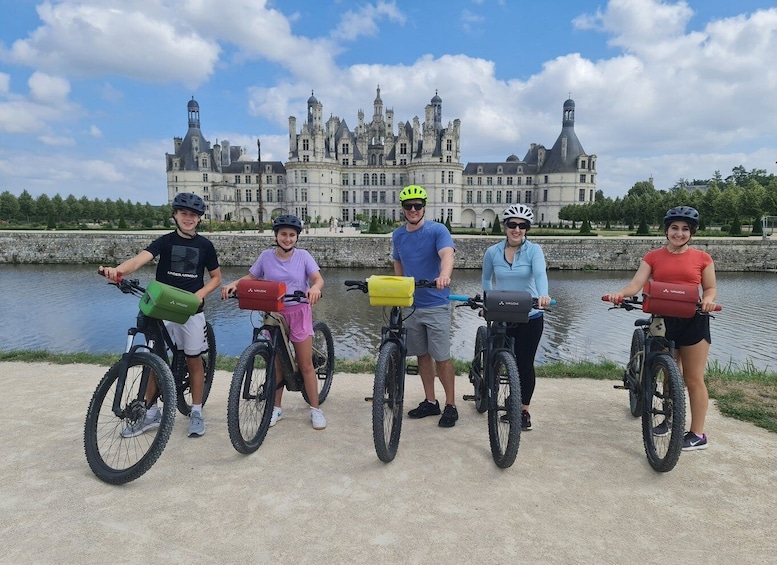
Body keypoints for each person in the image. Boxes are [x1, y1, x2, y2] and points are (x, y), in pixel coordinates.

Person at [101, 192, 222, 437]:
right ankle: (151, 413)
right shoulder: (165, 242)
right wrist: (118, 271)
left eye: (193, 215)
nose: (188, 219)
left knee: (194, 360)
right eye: (184, 214)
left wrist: (200, 295)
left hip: (190, 309)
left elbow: (216, 278)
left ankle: (196, 411)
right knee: (156, 361)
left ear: (199, 219)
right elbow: (139, 260)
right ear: (175, 215)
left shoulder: (205, 246)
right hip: (163, 308)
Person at [605, 206, 717, 451]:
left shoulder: (702, 258)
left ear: (692, 232)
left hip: (694, 320)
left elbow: (709, 288)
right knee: (668, 373)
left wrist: (708, 299)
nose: (679, 233)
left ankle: (697, 434)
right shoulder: (653, 256)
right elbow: (636, 284)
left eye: (685, 229)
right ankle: (668, 419)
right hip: (663, 320)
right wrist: (619, 294)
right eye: (674, 228)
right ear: (666, 230)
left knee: (693, 378)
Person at [221, 214, 326, 430]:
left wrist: (315, 288)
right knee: (276, 364)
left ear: (297, 237)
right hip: (273, 314)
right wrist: (234, 284)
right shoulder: (266, 256)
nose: (287, 239)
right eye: (283, 234)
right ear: (276, 236)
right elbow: (252, 278)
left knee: (305, 364)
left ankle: (316, 409)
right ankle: (276, 408)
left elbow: (317, 278)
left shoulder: (303, 256)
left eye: (291, 235)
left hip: (298, 312)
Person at [392, 185, 458, 427]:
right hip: (412, 305)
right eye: (408, 206)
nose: (413, 209)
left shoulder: (437, 230)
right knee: (422, 356)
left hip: (435, 303)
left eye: (417, 206)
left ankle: (450, 404)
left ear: (424, 207)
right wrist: (398, 288)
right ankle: (431, 401)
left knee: (442, 357)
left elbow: (447, 254)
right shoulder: (398, 235)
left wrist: (444, 275)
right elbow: (398, 262)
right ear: (403, 209)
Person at [481, 204, 551, 430]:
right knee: (495, 358)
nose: (517, 229)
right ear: (505, 226)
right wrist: (484, 300)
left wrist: (543, 294)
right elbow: (486, 279)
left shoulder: (534, 251)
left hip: (529, 315)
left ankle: (523, 410)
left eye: (522, 226)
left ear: (527, 229)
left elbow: (540, 275)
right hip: (501, 312)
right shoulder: (492, 252)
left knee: (524, 363)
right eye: (512, 224)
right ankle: (488, 389)